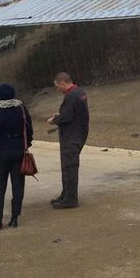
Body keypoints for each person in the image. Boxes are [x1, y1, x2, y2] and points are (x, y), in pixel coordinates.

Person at [0, 83, 33, 230]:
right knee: (18, 185)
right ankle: (14, 217)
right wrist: (26, 145)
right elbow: (29, 130)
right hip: (18, 151)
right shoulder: (21, 109)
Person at [47, 72, 89, 209]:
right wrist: (61, 115)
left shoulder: (70, 96)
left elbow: (67, 117)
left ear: (62, 83)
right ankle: (66, 194)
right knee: (68, 166)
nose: (57, 89)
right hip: (79, 133)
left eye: (57, 86)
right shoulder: (79, 92)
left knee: (69, 167)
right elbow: (74, 113)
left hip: (71, 136)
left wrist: (54, 120)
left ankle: (70, 199)